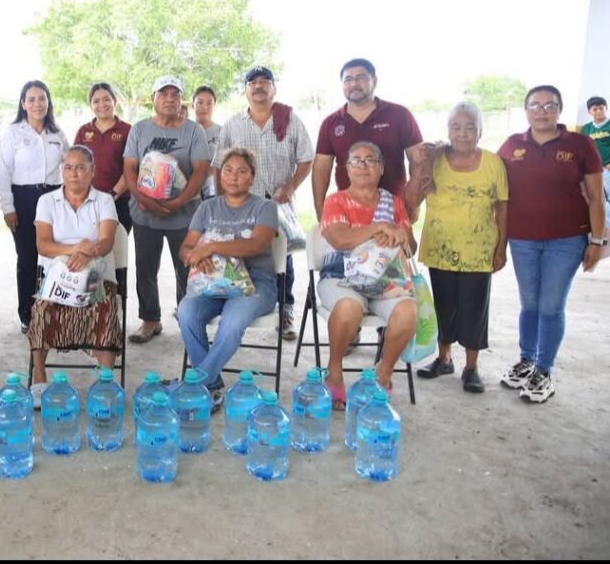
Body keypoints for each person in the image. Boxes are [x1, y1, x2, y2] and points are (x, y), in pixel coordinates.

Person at [497, 85, 605, 403]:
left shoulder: (580, 144)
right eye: (535, 105)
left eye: (549, 105)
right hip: (522, 239)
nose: (542, 111)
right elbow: (489, 178)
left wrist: (597, 241)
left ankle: (543, 370)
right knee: (529, 303)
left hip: (566, 240)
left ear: (559, 109)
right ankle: (526, 360)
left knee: (550, 306)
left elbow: (596, 197)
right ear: (526, 110)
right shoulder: (512, 145)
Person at [407, 103, 508, 393]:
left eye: (470, 127)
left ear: (480, 131)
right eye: (456, 127)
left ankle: (471, 367)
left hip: (478, 249)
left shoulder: (493, 163)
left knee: (474, 309)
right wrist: (422, 164)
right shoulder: (435, 160)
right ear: (447, 130)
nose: (463, 133)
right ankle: (444, 358)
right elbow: (412, 201)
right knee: (443, 305)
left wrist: (501, 247)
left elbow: (502, 207)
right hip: (440, 246)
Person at [215, 67, 313, 341]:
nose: (258, 86)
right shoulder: (233, 125)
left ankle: (285, 311)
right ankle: (236, 308)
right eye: (252, 82)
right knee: (239, 255)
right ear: (245, 90)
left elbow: (306, 158)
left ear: (273, 88)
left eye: (264, 82)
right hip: (241, 206)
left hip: (277, 205)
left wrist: (291, 185)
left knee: (283, 258)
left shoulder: (290, 121)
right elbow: (219, 165)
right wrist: (220, 200)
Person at [177, 148, 279, 411]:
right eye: (228, 170)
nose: (234, 177)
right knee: (186, 311)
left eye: (242, 171)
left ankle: (196, 386)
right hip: (212, 281)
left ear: (252, 177)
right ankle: (210, 385)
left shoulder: (265, 207)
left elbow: (257, 244)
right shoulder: (207, 207)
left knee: (232, 321)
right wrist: (196, 257)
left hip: (255, 283)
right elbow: (186, 248)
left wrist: (211, 247)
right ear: (220, 175)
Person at [318, 142, 418, 407]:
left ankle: (383, 375)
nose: (363, 166)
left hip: (385, 279)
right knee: (348, 308)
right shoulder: (336, 201)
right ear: (347, 169)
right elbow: (339, 239)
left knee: (408, 310)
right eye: (356, 160)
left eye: (370, 160)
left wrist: (400, 235)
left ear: (381, 168)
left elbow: (411, 248)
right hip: (341, 278)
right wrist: (379, 228)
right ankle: (334, 371)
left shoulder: (393, 202)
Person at [27, 146, 121, 408]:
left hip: (96, 273)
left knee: (105, 307)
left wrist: (88, 254)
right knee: (42, 309)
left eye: (81, 167)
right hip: (59, 274)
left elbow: (106, 241)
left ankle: (105, 381)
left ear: (93, 171)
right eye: (68, 168)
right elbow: (43, 245)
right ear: (61, 171)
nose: (74, 173)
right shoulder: (47, 201)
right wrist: (75, 250)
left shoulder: (104, 200)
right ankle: (39, 377)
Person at [123, 75, 211, 344]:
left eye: (175, 94)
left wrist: (179, 201)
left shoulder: (194, 131)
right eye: (163, 94)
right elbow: (129, 168)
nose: (169, 99)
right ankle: (150, 319)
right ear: (153, 98)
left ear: (181, 100)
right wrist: (143, 199)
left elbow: (201, 170)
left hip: (184, 215)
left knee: (186, 269)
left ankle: (188, 319)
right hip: (144, 213)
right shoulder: (139, 129)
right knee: (145, 268)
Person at [0, 80, 70, 332]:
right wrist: (8, 208)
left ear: (48, 102)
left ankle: (53, 310)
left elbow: (69, 165)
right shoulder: (13, 133)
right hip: (23, 200)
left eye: (42, 98)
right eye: (31, 99)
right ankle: (27, 315)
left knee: (54, 257)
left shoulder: (57, 134)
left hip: (53, 199)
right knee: (28, 258)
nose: (37, 104)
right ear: (23, 104)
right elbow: (3, 173)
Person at [312, 58, 424, 221]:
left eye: (361, 77)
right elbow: (321, 168)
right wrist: (320, 212)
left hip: (394, 210)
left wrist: (413, 204)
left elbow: (419, 161)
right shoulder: (331, 123)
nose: (354, 84)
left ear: (374, 81)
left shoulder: (399, 115)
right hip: (348, 214)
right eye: (348, 79)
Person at [74, 82, 132, 231]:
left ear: (114, 101)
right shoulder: (83, 131)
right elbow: (74, 165)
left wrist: (112, 195)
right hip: (87, 201)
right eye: (96, 101)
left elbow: (132, 168)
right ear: (91, 105)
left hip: (120, 201)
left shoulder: (127, 130)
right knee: (88, 243)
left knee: (117, 244)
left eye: (106, 99)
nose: (102, 104)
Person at [192, 86, 221, 201]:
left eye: (209, 103)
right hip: (188, 191)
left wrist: (211, 170)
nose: (204, 107)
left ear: (214, 106)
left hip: (214, 191)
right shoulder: (185, 130)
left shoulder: (223, 131)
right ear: (193, 105)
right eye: (200, 102)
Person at [580, 95, 610, 203]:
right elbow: (584, 148)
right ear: (590, 112)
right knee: (598, 197)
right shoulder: (586, 128)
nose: (598, 111)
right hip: (594, 168)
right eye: (595, 109)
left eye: (601, 108)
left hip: (608, 168)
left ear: (606, 108)